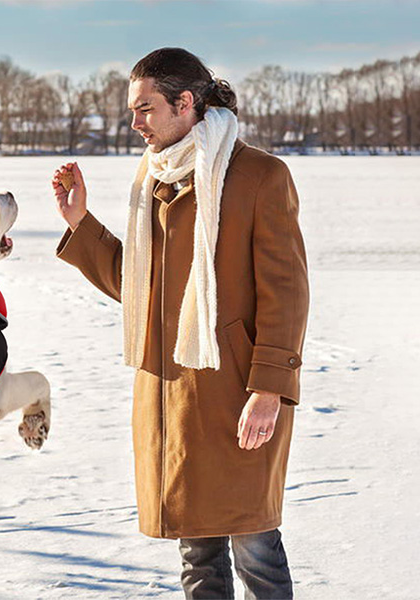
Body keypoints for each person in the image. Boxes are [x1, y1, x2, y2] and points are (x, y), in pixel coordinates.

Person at [51, 48, 309, 599]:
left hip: (237, 392)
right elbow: (142, 289)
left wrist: (269, 389)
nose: (134, 123)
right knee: (196, 551)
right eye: (133, 110)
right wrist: (81, 223)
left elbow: (286, 294)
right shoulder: (154, 177)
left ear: (184, 103)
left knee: (254, 544)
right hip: (174, 395)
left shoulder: (260, 176)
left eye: (144, 109)